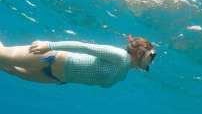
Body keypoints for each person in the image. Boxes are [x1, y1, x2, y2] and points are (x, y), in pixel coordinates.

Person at [0, 35, 156, 87]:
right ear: (140, 52)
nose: (151, 62)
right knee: (2, 54)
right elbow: (84, 47)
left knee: (9, 69)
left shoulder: (122, 75)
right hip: (52, 59)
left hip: (56, 78)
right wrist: (48, 45)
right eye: (151, 56)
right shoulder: (120, 56)